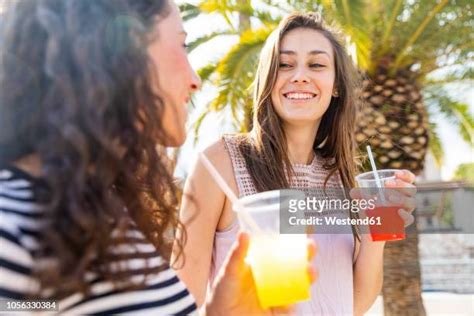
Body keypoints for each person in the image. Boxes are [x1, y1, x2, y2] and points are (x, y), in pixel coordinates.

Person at [0, 1, 316, 314]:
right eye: (182, 44)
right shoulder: (10, 230)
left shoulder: (109, 216)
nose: (196, 79)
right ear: (123, 56)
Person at [174, 12, 417, 315]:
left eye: (316, 64)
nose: (300, 75)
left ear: (337, 85)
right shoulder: (219, 163)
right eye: (285, 65)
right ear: (267, 79)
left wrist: (374, 237)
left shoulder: (340, 178)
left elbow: (349, 305)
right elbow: (182, 300)